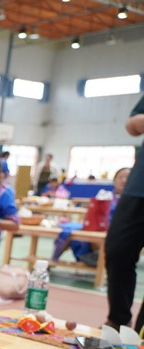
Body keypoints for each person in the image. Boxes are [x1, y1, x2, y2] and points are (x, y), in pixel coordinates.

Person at [104, 92, 144, 335]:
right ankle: (119, 320)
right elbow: (132, 125)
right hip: (139, 186)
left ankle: (141, 331)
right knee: (117, 250)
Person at [52, 168, 130, 267]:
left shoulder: (133, 201)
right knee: (68, 230)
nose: (124, 180)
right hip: (98, 228)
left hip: (118, 234)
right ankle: (54, 260)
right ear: (114, 180)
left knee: (105, 237)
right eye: (120, 177)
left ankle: (100, 258)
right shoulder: (105, 196)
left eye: (127, 177)